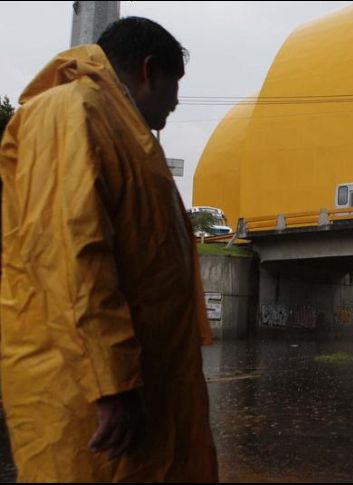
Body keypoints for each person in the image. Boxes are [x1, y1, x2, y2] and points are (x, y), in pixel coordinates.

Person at [0, 17, 218, 482]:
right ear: (148, 71)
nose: (177, 101)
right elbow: (68, 254)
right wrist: (110, 384)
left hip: (144, 398)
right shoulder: (69, 113)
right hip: (89, 405)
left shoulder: (126, 136)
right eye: (174, 85)